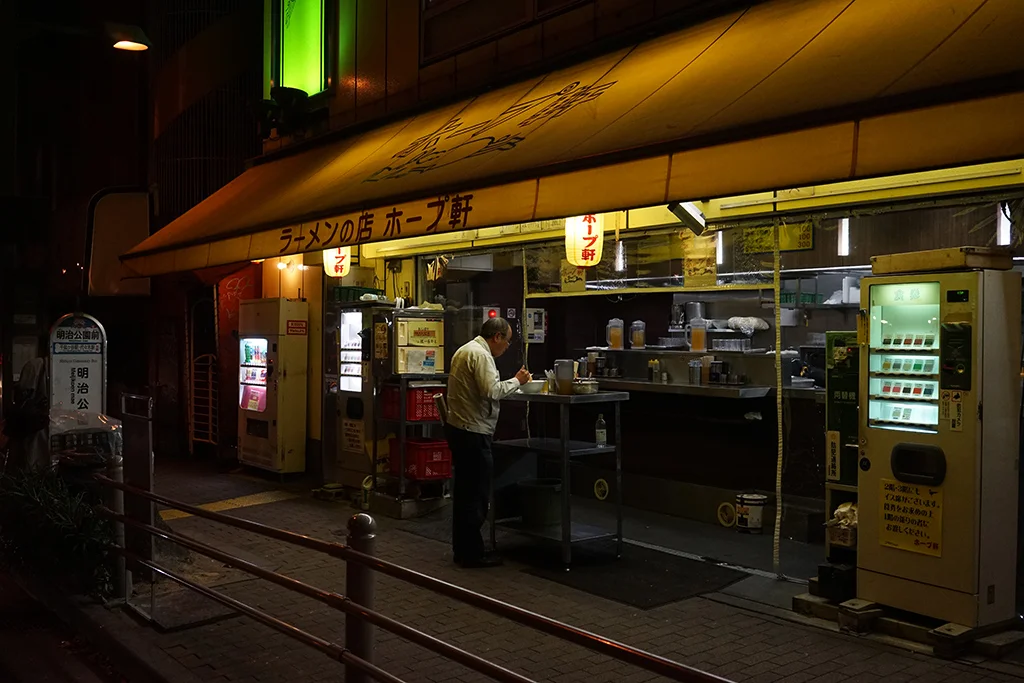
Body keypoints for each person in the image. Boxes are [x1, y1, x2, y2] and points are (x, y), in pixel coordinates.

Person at [445, 317, 531, 568]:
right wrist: (517, 381)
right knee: (476, 495)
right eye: (507, 341)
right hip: (473, 431)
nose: (507, 346)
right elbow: (492, 391)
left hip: (459, 428)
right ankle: (473, 554)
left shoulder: (465, 350)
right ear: (497, 337)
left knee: (464, 494)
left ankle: (463, 550)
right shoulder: (481, 355)